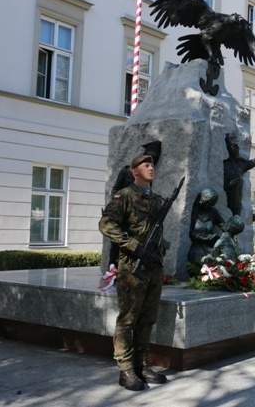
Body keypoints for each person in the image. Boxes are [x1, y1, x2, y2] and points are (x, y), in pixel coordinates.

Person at [99, 154, 168, 391]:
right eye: (145, 165)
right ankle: (125, 368)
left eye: (152, 165)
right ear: (134, 170)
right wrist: (133, 245)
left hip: (153, 267)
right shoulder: (124, 196)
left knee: (147, 318)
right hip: (131, 268)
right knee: (128, 319)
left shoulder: (157, 200)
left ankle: (141, 364)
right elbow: (106, 224)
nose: (151, 168)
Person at [108, 141, 162, 267]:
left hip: (137, 217)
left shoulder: (148, 179)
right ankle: (112, 268)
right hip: (123, 211)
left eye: (154, 160)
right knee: (116, 242)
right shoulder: (127, 171)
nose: (153, 163)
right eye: (150, 160)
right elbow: (115, 189)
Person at [223, 133, 255, 216]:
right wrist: (229, 185)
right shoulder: (224, 164)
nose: (237, 148)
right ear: (228, 147)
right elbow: (217, 184)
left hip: (236, 202)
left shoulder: (240, 164)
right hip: (225, 202)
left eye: (237, 146)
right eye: (234, 146)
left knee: (236, 220)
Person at [188, 188, 226, 267]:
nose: (212, 205)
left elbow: (224, 226)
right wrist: (203, 238)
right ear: (203, 201)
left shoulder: (213, 212)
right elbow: (190, 232)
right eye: (210, 203)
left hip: (211, 246)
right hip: (198, 245)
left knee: (220, 260)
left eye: (213, 203)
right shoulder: (193, 211)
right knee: (197, 258)